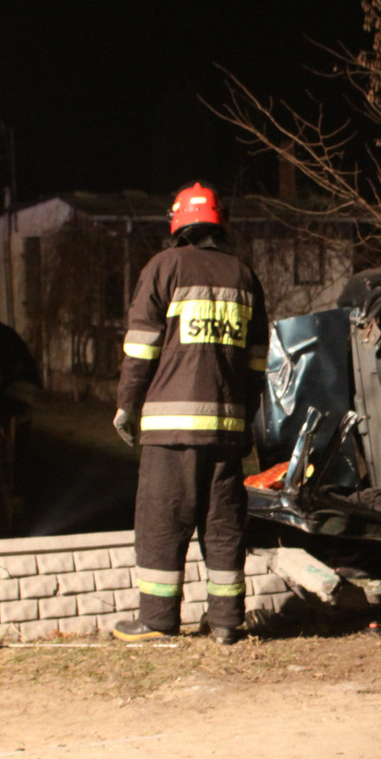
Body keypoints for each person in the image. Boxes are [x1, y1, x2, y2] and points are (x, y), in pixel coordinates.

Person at [112, 182, 269, 645]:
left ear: (178, 223)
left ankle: (158, 619)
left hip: (171, 430)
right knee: (223, 525)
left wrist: (127, 405)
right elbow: (257, 360)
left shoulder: (165, 267)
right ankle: (226, 621)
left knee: (162, 522)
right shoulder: (244, 276)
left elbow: (141, 347)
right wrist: (246, 418)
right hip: (227, 431)